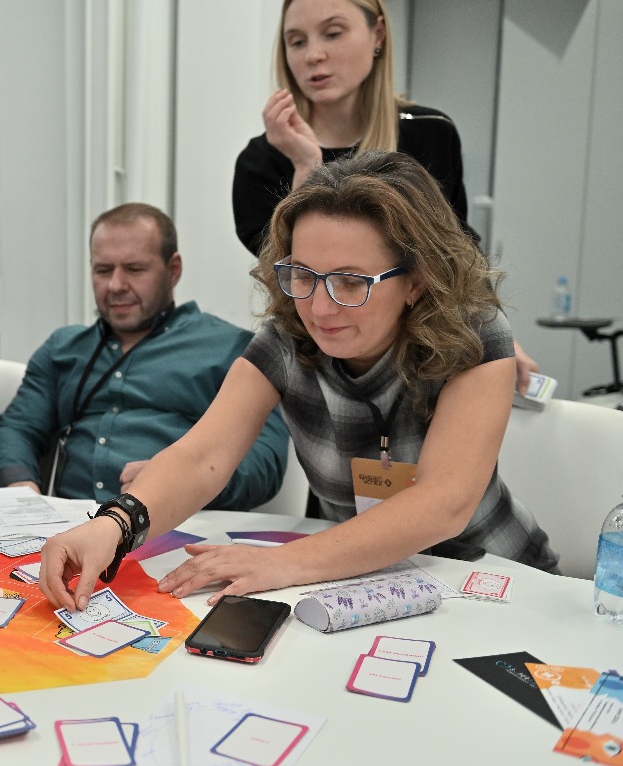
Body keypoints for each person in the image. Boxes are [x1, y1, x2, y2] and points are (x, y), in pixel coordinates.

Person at [39, 152, 559, 616]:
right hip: (358, 582)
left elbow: (443, 502)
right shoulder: (288, 336)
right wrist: (114, 524)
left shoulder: (474, 333)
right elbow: (203, 456)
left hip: (492, 582)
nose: (320, 308)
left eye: (351, 282)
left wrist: (281, 562)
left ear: (417, 280)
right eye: (304, 276)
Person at [230, 0, 538, 390]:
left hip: (425, 361)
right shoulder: (261, 162)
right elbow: (291, 285)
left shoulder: (428, 133)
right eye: (296, 41)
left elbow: (457, 253)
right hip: (321, 366)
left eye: (332, 33)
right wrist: (305, 165)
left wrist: (494, 336)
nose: (313, 55)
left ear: (377, 34)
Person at [0, 203, 289, 507]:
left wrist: (182, 480)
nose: (116, 285)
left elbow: (264, 462)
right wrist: (21, 490)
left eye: (134, 269)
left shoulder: (235, 351)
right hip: (70, 524)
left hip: (178, 524)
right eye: (103, 270)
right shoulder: (63, 349)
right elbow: (14, 431)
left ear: (173, 270)